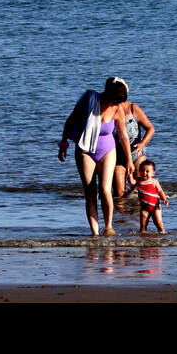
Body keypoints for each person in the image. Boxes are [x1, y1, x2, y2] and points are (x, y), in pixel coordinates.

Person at [58, 77, 135, 236]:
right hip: (85, 150)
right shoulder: (89, 101)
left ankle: (108, 227)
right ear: (108, 94)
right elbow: (71, 120)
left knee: (106, 189)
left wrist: (129, 160)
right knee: (91, 193)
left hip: (108, 150)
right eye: (115, 101)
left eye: (119, 102)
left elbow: (123, 135)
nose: (117, 104)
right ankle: (95, 233)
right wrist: (64, 143)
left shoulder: (117, 108)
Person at [113, 99, 156, 197]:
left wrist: (142, 143)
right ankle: (121, 211)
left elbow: (151, 129)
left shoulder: (133, 109)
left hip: (136, 155)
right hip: (117, 157)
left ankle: (139, 209)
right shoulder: (110, 109)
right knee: (119, 194)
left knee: (141, 190)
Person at [133, 159, 169, 234]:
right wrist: (130, 175)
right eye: (142, 171)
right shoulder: (138, 181)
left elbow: (160, 191)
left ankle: (162, 233)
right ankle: (142, 237)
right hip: (144, 208)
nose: (144, 173)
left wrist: (164, 199)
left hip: (155, 207)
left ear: (153, 173)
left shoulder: (154, 181)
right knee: (143, 225)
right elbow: (131, 182)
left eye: (147, 171)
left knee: (158, 222)